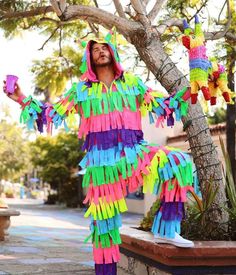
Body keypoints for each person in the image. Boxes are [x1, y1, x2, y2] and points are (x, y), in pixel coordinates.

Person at [4, 30, 194, 275]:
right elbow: (50, 114)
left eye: (104, 47)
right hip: (101, 170)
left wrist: (194, 88)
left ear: (113, 52)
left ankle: (167, 229)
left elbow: (164, 106)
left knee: (179, 162)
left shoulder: (133, 84)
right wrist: (20, 98)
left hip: (134, 155)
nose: (100, 51)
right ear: (89, 56)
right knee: (104, 234)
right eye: (95, 48)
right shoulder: (80, 90)